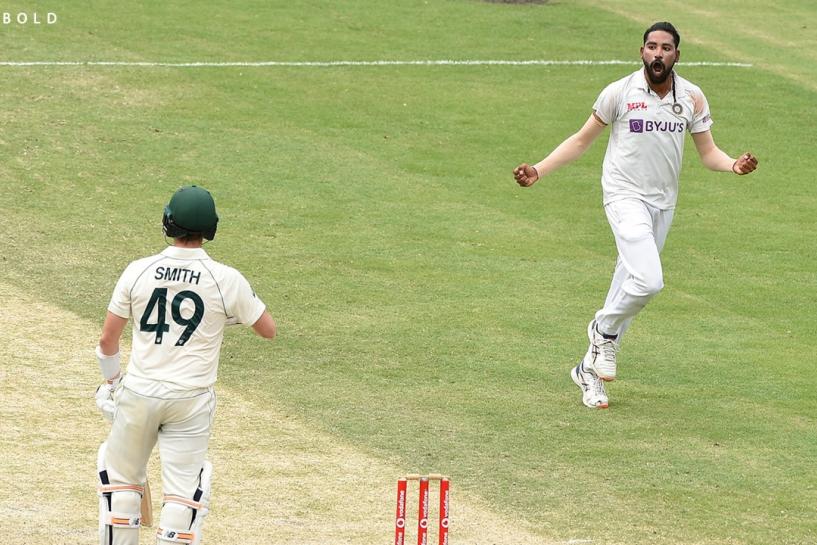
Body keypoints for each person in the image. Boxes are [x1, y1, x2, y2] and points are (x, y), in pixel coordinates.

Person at [513, 22, 757, 409]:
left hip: (663, 204)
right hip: (624, 196)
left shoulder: (691, 98)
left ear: (677, 55)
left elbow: (709, 154)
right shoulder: (620, 92)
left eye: (665, 48)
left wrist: (734, 166)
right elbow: (580, 141)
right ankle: (602, 331)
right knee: (648, 280)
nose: (657, 53)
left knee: (627, 284)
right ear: (641, 52)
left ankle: (589, 372)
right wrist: (540, 170)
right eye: (651, 47)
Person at [93, 185, 276, 544]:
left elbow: (107, 341)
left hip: (140, 393)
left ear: (167, 223)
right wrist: (223, 317)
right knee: (183, 500)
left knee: (121, 488)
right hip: (191, 401)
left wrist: (113, 382)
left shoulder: (138, 271)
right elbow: (267, 329)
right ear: (210, 229)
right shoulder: (226, 279)